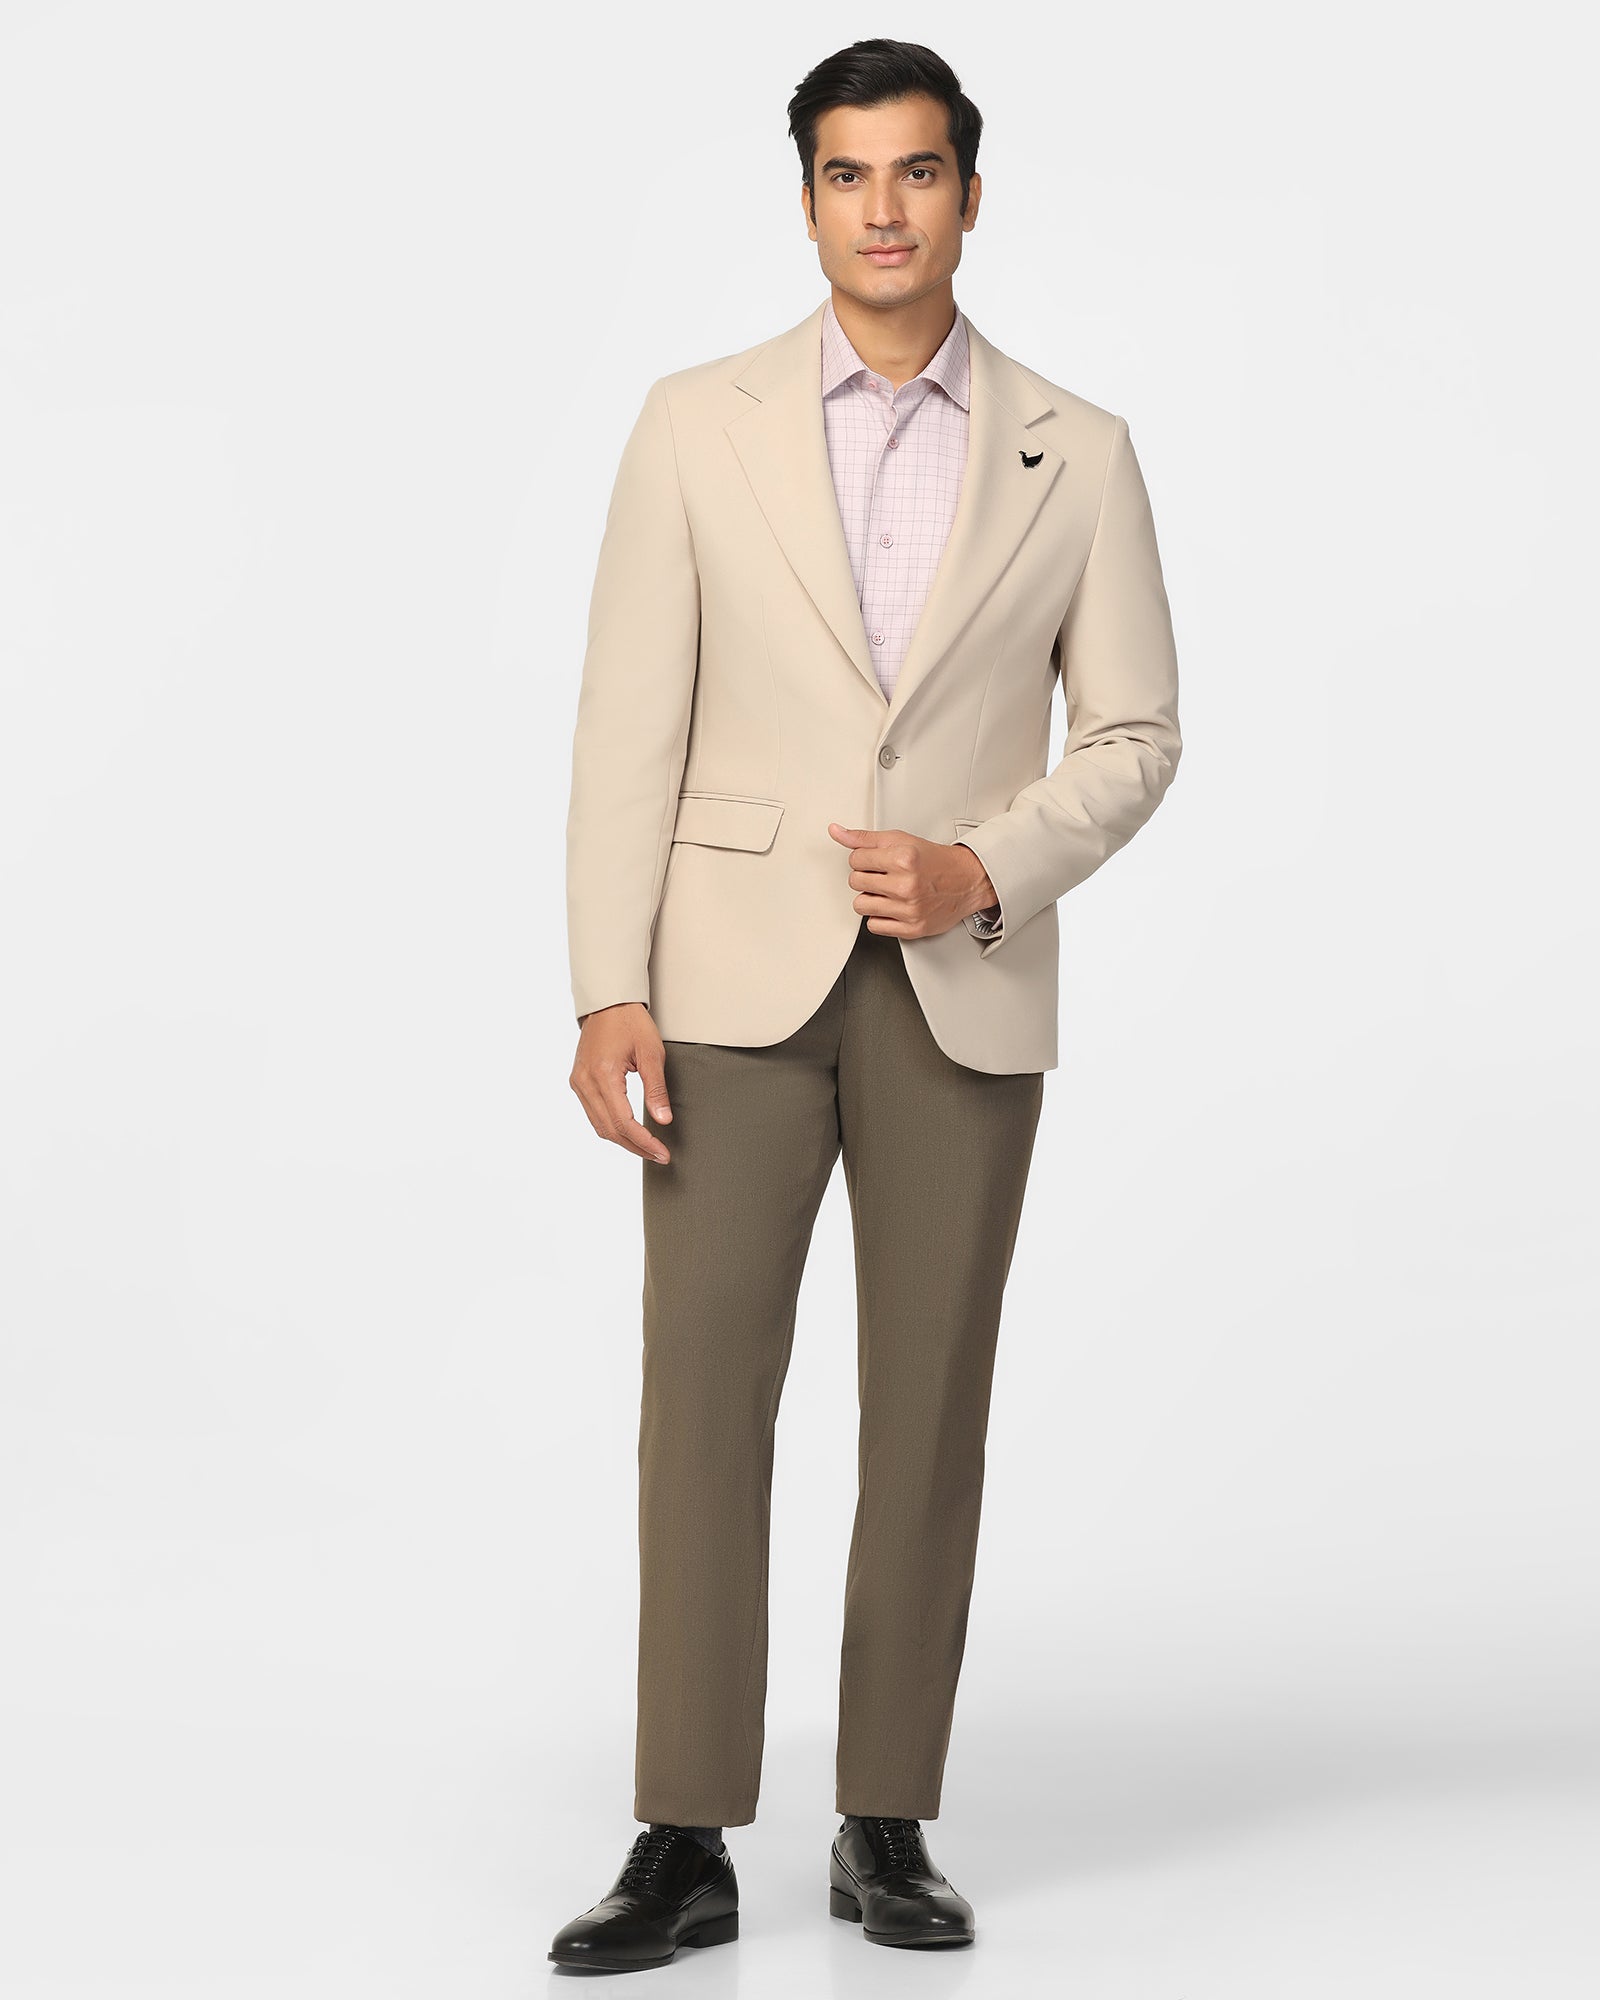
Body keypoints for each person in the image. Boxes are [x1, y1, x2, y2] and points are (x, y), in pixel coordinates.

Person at [552, 36, 1182, 1970]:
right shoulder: (696, 424)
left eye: (918, 173)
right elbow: (628, 722)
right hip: (728, 984)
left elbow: (1137, 734)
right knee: (702, 1405)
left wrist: (988, 864)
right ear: (809, 200)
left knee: (927, 1409)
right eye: (848, 174)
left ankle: (884, 1818)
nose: (883, 210)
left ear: (970, 197)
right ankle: (682, 1833)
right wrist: (607, 987)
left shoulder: (1080, 449)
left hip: (959, 989)